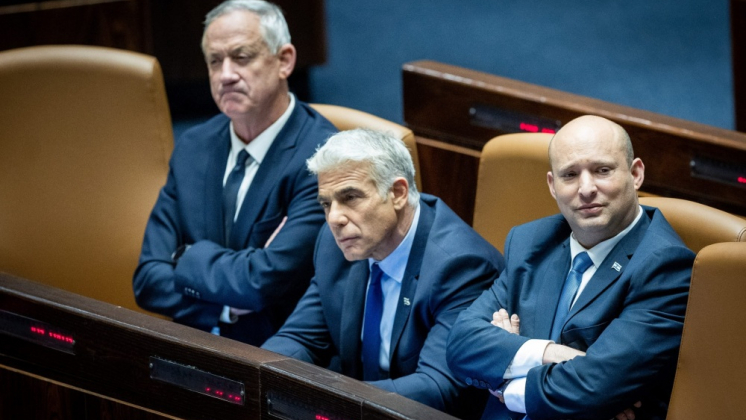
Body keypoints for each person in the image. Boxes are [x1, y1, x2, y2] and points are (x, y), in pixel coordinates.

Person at [446, 115, 695, 420]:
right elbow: (461, 343)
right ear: (553, 185)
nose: (586, 188)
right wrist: (549, 353)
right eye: (570, 175)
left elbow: (593, 387)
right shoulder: (530, 242)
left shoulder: (666, 267)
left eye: (602, 170)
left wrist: (506, 383)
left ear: (635, 174)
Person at [262, 128, 505, 418]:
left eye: (350, 197)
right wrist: (259, 372)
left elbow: (437, 388)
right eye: (326, 203)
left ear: (398, 193)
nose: (334, 218)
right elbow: (301, 338)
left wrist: (328, 402)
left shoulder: (462, 266)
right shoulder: (337, 243)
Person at [133, 0, 337, 346]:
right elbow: (148, 280)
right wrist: (224, 307)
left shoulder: (322, 158)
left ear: (284, 60)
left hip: (278, 354)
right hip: (194, 345)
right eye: (215, 61)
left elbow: (262, 284)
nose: (225, 75)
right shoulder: (193, 147)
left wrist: (184, 257)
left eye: (241, 57)